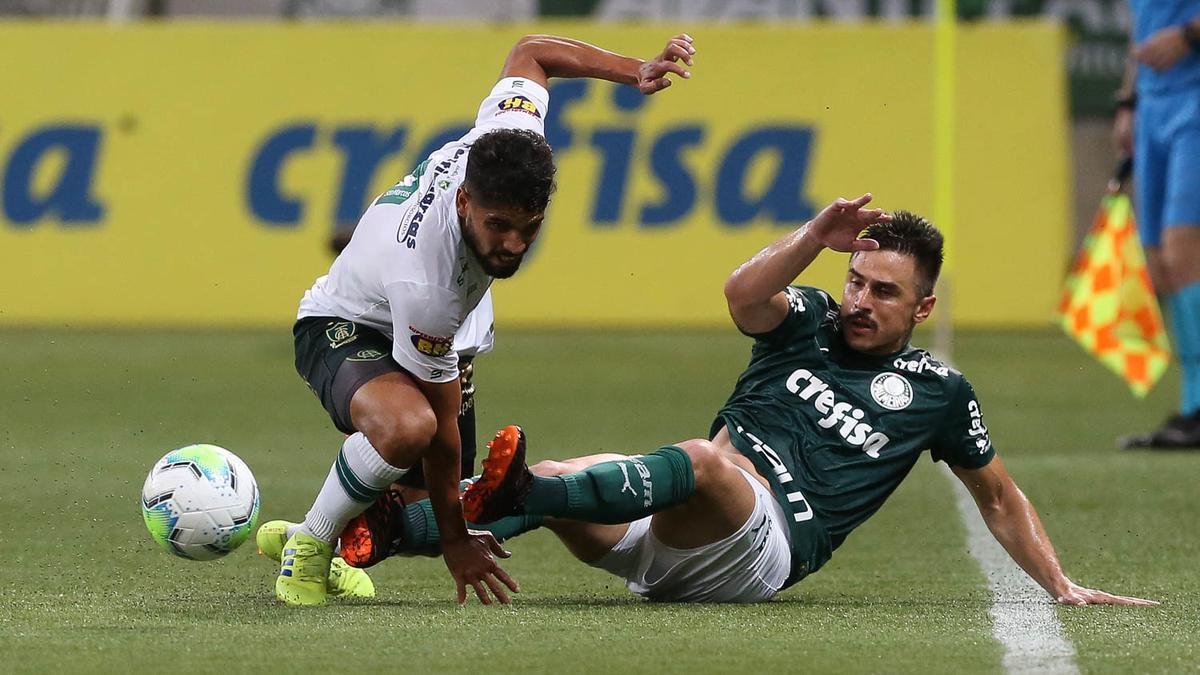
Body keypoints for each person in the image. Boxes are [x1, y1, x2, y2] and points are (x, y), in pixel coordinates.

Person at [348, 195, 1158, 606]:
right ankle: (384, 533)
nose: (862, 299)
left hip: (760, 548)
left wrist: (1060, 585)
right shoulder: (805, 317)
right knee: (566, 478)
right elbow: (742, 295)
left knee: (698, 460)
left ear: (922, 311)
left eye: (886, 292)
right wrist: (813, 235)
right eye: (858, 281)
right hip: (672, 521)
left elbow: (1000, 496)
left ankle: (516, 491)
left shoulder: (939, 392)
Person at [254, 32, 699, 607]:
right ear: (464, 201)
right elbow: (436, 430)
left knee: (432, 502)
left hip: (437, 331)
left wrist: (634, 70)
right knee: (409, 431)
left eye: (529, 226)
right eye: (498, 227)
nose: (514, 245)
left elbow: (533, 52)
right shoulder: (430, 282)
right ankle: (311, 550)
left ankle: (325, 535)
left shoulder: (508, 140)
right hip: (343, 324)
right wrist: (457, 540)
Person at [1115, 2, 1200, 449]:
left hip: (1194, 98)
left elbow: (1169, 33)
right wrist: (1129, 101)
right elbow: (1142, 30)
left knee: (1183, 250)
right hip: (1153, 105)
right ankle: (1192, 409)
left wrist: (1187, 36)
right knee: (1161, 262)